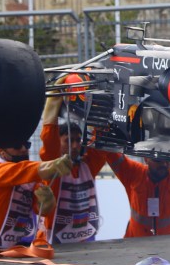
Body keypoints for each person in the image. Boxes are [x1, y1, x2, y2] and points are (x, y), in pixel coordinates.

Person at [39, 87, 117, 244]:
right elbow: (48, 141)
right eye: (69, 140)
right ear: (58, 142)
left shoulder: (87, 166)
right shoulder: (51, 166)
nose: (75, 145)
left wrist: (99, 104)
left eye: (77, 140)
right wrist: (54, 100)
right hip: (50, 244)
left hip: (80, 243)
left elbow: (101, 140)